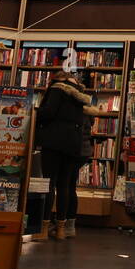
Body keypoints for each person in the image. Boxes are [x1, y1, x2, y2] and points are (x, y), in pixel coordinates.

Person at [34, 70, 93, 241]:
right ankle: (61, 230)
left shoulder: (57, 89)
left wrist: (39, 115)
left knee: (48, 184)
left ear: (58, 78)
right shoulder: (80, 94)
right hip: (72, 144)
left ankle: (43, 229)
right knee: (65, 186)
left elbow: (48, 113)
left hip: (54, 142)